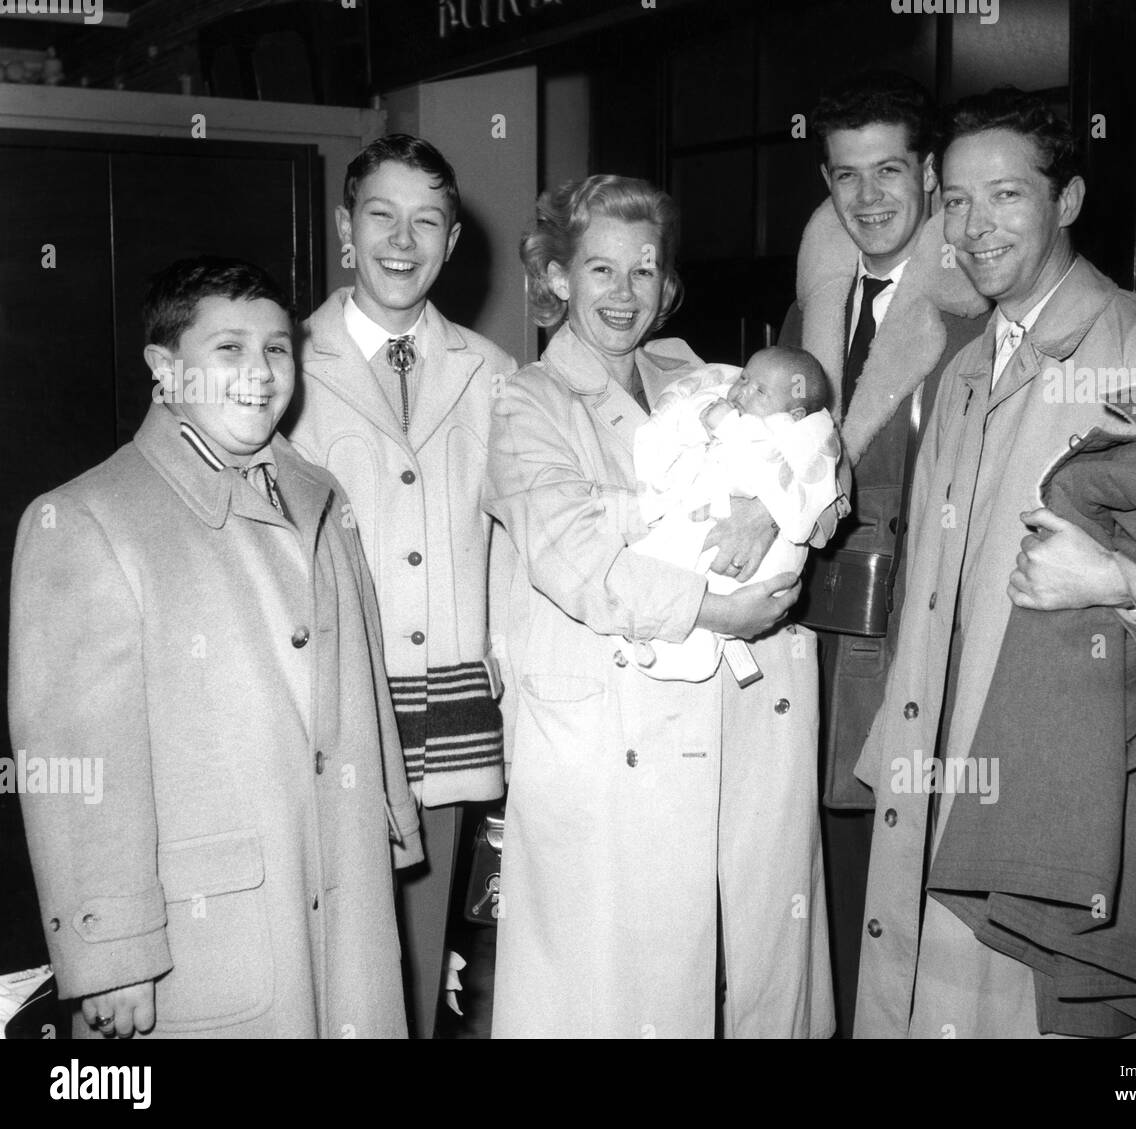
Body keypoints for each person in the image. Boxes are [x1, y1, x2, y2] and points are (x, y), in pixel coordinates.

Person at [852, 87, 1136, 1039]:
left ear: (1068, 202)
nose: (972, 228)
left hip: (1076, 818)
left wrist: (1125, 585)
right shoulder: (964, 368)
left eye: (1006, 196)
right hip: (942, 794)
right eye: (955, 201)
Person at [9, 257, 422, 1039]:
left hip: (344, 892)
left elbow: (361, 673)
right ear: (165, 371)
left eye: (276, 349)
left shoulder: (320, 493)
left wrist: (390, 816)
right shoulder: (88, 519)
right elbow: (77, 767)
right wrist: (114, 952)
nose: (260, 373)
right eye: (227, 349)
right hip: (209, 937)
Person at [484, 174, 834, 1038]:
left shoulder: (698, 370)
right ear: (558, 277)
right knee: (614, 980)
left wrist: (775, 507)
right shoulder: (528, 400)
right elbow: (577, 562)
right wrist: (718, 613)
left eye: (644, 270)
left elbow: (820, 437)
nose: (624, 294)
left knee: (745, 958)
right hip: (616, 721)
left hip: (741, 710)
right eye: (599, 270)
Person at [288, 135, 515, 1036]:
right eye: (380, 214)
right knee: (337, 940)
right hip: (334, 699)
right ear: (346, 230)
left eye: (427, 221)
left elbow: (511, 533)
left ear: (453, 242)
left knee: (433, 944)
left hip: (457, 698)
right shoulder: (285, 364)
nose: (402, 238)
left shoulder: (495, 372)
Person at [779, 70, 988, 1032]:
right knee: (816, 867)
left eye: (889, 171)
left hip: (921, 639)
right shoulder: (811, 311)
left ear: (930, 173)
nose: (867, 199)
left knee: (908, 877)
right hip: (809, 639)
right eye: (846, 176)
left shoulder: (977, 311)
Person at [630, 346, 839, 682]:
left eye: (760, 391)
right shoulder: (709, 386)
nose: (742, 391)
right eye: (744, 378)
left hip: (753, 568)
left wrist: (728, 428)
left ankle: (682, 645)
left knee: (664, 565)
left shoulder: (787, 432)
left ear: (795, 415)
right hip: (702, 564)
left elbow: (804, 480)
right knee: (654, 566)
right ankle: (677, 647)